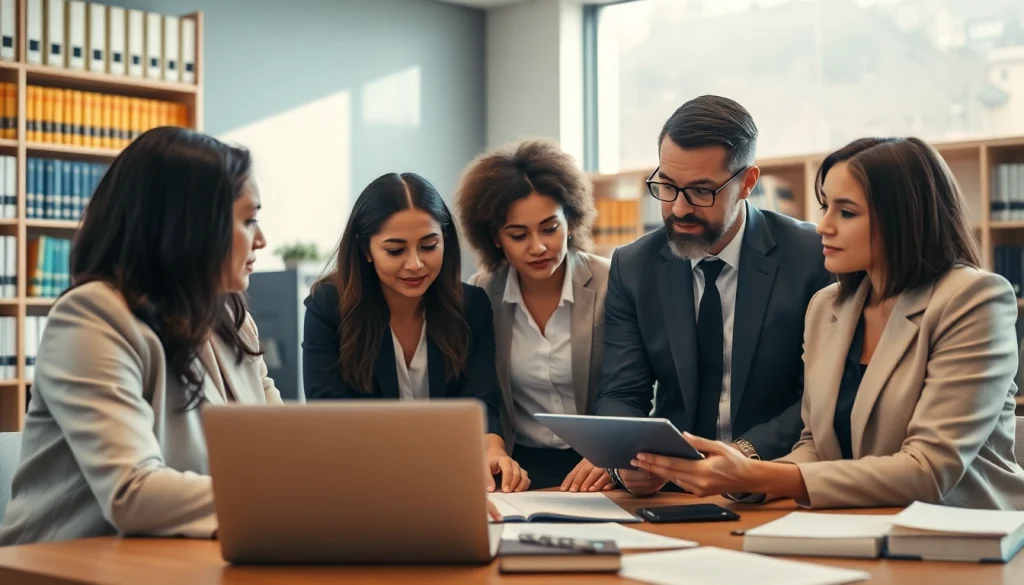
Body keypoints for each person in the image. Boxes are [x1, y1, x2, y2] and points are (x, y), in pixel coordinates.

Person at [631, 137, 1024, 510]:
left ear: (905, 219)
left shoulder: (975, 300)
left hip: (968, 540)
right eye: (825, 207)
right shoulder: (828, 307)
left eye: (846, 212)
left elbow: (929, 470)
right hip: (859, 529)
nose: (823, 226)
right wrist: (740, 480)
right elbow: (815, 445)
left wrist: (756, 473)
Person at [0, 128, 281, 545]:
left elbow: (281, 448)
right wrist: (288, 502)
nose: (261, 239)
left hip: (185, 559)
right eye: (248, 219)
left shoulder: (230, 319)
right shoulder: (92, 317)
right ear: (189, 226)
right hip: (65, 566)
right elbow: (132, 492)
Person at [592, 95, 831, 496]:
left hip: (779, 483)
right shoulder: (633, 267)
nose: (679, 209)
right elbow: (621, 392)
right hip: (672, 492)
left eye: (701, 192)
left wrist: (743, 457)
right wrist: (628, 460)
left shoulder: (812, 256)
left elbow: (823, 397)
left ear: (747, 183)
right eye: (666, 186)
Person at [302, 172, 529, 493]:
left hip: (450, 481)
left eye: (429, 246)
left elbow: (481, 402)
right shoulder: (329, 307)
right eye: (395, 250)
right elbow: (329, 416)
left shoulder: (471, 305)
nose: (416, 264)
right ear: (365, 249)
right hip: (361, 484)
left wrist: (492, 449)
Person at [456, 139, 611, 492]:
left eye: (549, 228)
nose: (538, 246)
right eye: (518, 235)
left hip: (601, 465)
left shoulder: (610, 282)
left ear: (570, 221)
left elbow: (631, 385)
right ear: (495, 238)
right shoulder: (482, 294)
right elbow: (482, 392)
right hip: (520, 470)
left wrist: (613, 456)